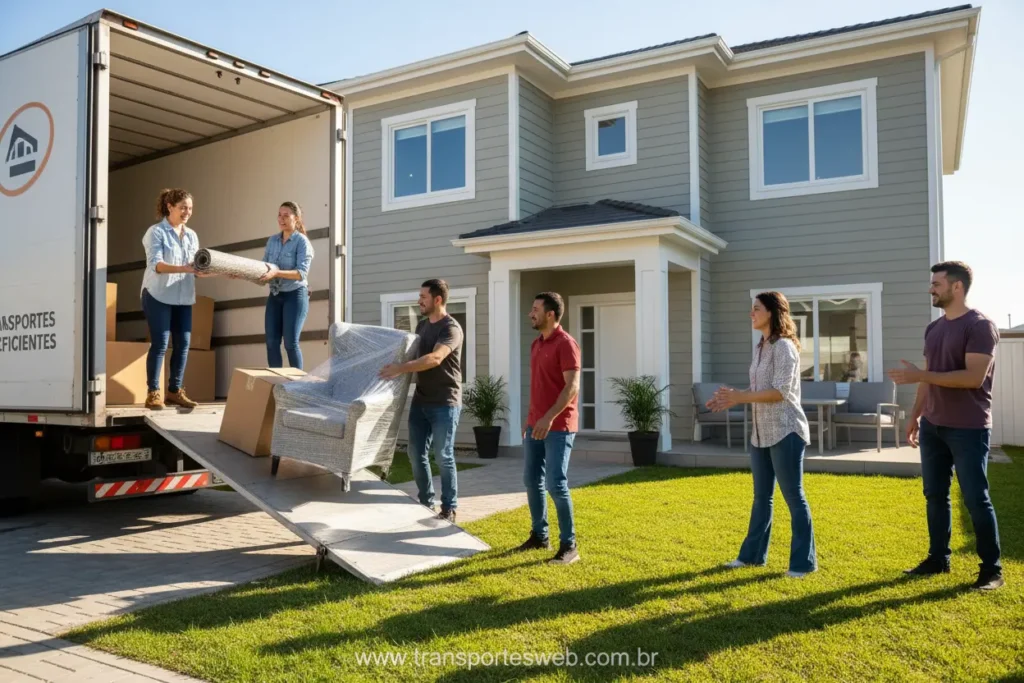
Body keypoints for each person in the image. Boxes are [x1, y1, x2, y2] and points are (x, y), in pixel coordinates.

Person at [889, 261, 1004, 591]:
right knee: (935, 495)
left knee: (975, 498)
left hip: (968, 428)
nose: (931, 288)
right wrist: (915, 416)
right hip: (933, 426)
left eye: (937, 283)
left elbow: (973, 378)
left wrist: (921, 375)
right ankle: (938, 559)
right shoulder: (933, 329)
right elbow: (927, 377)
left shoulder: (980, 326)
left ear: (957, 287)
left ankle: (991, 570)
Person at [707, 291, 817, 578]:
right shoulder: (760, 347)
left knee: (794, 497)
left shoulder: (783, 347)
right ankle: (752, 557)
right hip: (760, 434)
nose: (751, 313)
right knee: (761, 498)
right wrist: (728, 398)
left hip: (786, 430)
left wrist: (740, 397)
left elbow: (780, 392)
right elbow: (756, 389)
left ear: (771, 312)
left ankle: (803, 564)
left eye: (756, 309)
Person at [379, 279, 464, 523]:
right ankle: (426, 502)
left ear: (438, 300)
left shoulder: (451, 329)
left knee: (444, 455)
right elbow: (409, 354)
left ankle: (449, 507)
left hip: (445, 402)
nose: (419, 301)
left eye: (423, 296)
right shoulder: (423, 326)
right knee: (415, 454)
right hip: (421, 400)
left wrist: (400, 368)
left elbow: (435, 358)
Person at [515, 292, 582, 565]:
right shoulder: (536, 344)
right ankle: (539, 536)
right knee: (532, 480)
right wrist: (531, 419)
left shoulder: (566, 344)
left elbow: (572, 386)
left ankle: (570, 545)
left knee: (556, 483)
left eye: (535, 309)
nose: (531, 313)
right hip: (536, 425)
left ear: (551, 314)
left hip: (559, 425)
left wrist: (549, 417)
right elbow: (539, 386)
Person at [140, 188, 217, 411]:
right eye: (183, 207)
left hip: (183, 297)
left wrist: (224, 271)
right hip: (158, 294)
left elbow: (198, 269)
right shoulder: (156, 232)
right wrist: (184, 268)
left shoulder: (192, 235)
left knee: (183, 345)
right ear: (169, 207)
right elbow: (157, 264)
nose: (187, 212)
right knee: (161, 344)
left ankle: (175, 390)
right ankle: (154, 393)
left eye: (190, 208)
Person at [260, 201, 314, 369]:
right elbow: (263, 266)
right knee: (271, 342)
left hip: (295, 294)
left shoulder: (302, 242)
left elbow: (301, 273)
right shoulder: (272, 241)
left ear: (296, 219)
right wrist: (241, 272)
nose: (281, 219)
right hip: (275, 295)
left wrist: (276, 273)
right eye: (279, 215)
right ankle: (277, 386)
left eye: (286, 215)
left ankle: (297, 389)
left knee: (290, 343)